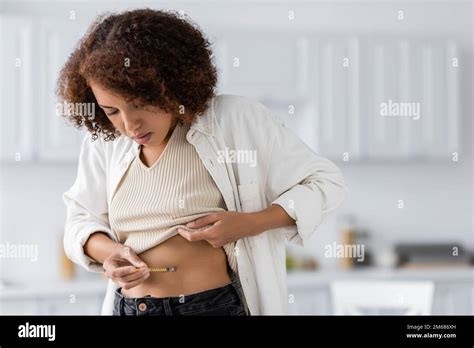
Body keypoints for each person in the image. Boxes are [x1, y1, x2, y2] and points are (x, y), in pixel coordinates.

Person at [58, 8, 347, 316]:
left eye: (140, 104)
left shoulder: (234, 120)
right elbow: (79, 221)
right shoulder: (105, 144)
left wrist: (247, 224)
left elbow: (326, 184)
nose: (130, 126)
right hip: (129, 308)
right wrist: (110, 253)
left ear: (170, 84)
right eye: (112, 111)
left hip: (212, 307)